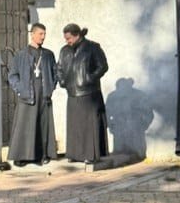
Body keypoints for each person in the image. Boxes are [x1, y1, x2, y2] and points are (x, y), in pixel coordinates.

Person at [7, 22, 59, 166]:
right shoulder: (21, 55)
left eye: (44, 34)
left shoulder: (48, 54)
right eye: (40, 34)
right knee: (25, 126)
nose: (43, 37)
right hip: (27, 95)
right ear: (32, 34)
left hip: (44, 96)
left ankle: (42, 155)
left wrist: (51, 88)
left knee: (42, 126)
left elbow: (55, 74)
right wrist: (20, 89)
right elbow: (13, 75)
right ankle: (22, 157)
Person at [57, 22, 109, 163]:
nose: (67, 41)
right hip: (72, 93)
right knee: (74, 127)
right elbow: (59, 68)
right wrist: (63, 82)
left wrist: (89, 78)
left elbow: (103, 66)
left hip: (89, 93)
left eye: (69, 38)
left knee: (88, 127)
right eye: (65, 38)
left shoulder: (92, 47)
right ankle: (74, 155)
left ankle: (89, 155)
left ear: (77, 35)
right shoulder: (64, 50)